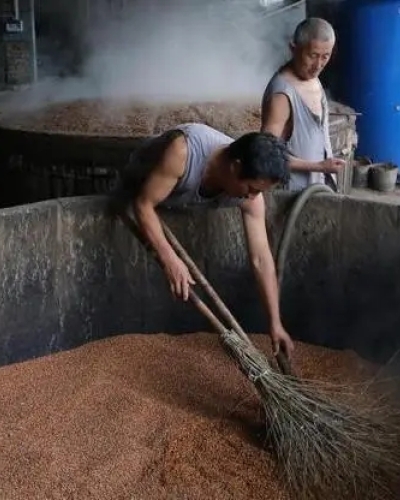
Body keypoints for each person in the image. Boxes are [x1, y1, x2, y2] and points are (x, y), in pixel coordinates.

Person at [116, 123, 296, 358]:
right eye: (250, 188)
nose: (251, 197)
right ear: (235, 167)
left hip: (174, 200)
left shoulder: (251, 195)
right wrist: (170, 258)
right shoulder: (183, 152)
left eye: (258, 192)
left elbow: (261, 258)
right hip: (139, 180)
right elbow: (143, 204)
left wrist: (275, 322)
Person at [261, 17, 346, 192]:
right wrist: (319, 166)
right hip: (292, 194)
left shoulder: (313, 79)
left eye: (325, 56)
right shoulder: (282, 94)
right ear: (293, 49)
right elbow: (267, 154)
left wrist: (324, 170)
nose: (318, 65)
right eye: (313, 55)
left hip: (319, 188)